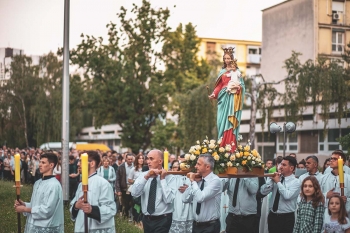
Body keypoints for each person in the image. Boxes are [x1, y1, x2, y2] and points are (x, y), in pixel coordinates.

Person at [14, 153, 64, 232]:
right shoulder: (38, 182)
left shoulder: (54, 185)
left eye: (43, 163)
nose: (40, 165)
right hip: (33, 225)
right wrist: (24, 205)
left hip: (46, 227)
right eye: (40, 162)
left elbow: (47, 210)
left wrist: (25, 209)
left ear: (51, 165)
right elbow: (35, 204)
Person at [208, 47, 245, 151]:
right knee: (221, 121)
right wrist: (213, 94)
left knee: (230, 120)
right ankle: (221, 143)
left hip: (232, 97)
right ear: (223, 60)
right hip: (223, 97)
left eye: (229, 58)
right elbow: (218, 86)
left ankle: (230, 145)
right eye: (225, 58)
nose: (227, 60)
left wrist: (238, 88)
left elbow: (242, 85)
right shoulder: (222, 72)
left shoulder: (237, 71)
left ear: (232, 59)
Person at [70, 150, 116, 233]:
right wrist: (76, 206)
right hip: (81, 227)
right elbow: (73, 206)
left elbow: (111, 209)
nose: (78, 164)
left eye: (81, 161)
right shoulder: (81, 185)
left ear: (92, 164)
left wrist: (92, 210)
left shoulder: (103, 184)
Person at [131, 149, 175, 233]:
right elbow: (134, 193)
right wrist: (146, 177)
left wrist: (162, 179)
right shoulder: (143, 175)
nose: (148, 161)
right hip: (146, 219)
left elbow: (169, 200)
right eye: (147, 159)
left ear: (160, 161)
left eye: (151, 159)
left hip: (163, 219)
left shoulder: (170, 177)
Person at [182, 154, 222, 233]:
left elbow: (200, 198)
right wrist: (192, 183)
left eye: (199, 164)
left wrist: (193, 182)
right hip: (196, 225)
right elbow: (184, 199)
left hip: (210, 226)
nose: (196, 166)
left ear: (207, 167)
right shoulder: (197, 180)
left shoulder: (215, 181)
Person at [260, 156, 300, 233]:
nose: (280, 167)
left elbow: (287, 196)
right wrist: (271, 181)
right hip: (273, 216)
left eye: (284, 165)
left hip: (287, 218)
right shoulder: (276, 177)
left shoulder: (296, 182)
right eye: (281, 164)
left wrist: (278, 182)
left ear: (291, 168)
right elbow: (263, 192)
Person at [320, 150, 350, 217]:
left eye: (335, 159)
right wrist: (326, 195)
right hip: (327, 214)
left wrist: (346, 200)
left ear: (342, 162)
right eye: (331, 158)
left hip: (344, 214)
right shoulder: (323, 178)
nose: (331, 160)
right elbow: (316, 195)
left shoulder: (348, 179)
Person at [115, 153, 135, 219]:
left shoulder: (135, 166)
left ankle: (132, 218)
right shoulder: (121, 167)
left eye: (131, 159)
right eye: (128, 159)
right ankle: (125, 218)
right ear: (126, 159)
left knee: (132, 203)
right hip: (124, 187)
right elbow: (117, 179)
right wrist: (118, 190)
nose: (130, 160)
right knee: (125, 204)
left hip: (133, 187)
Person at [128, 153, 145, 226]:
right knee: (136, 206)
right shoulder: (133, 169)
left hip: (144, 190)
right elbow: (129, 180)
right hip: (136, 190)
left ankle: (142, 222)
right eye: (139, 158)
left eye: (142, 158)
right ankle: (136, 221)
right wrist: (137, 181)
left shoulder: (145, 168)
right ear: (137, 160)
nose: (141, 160)